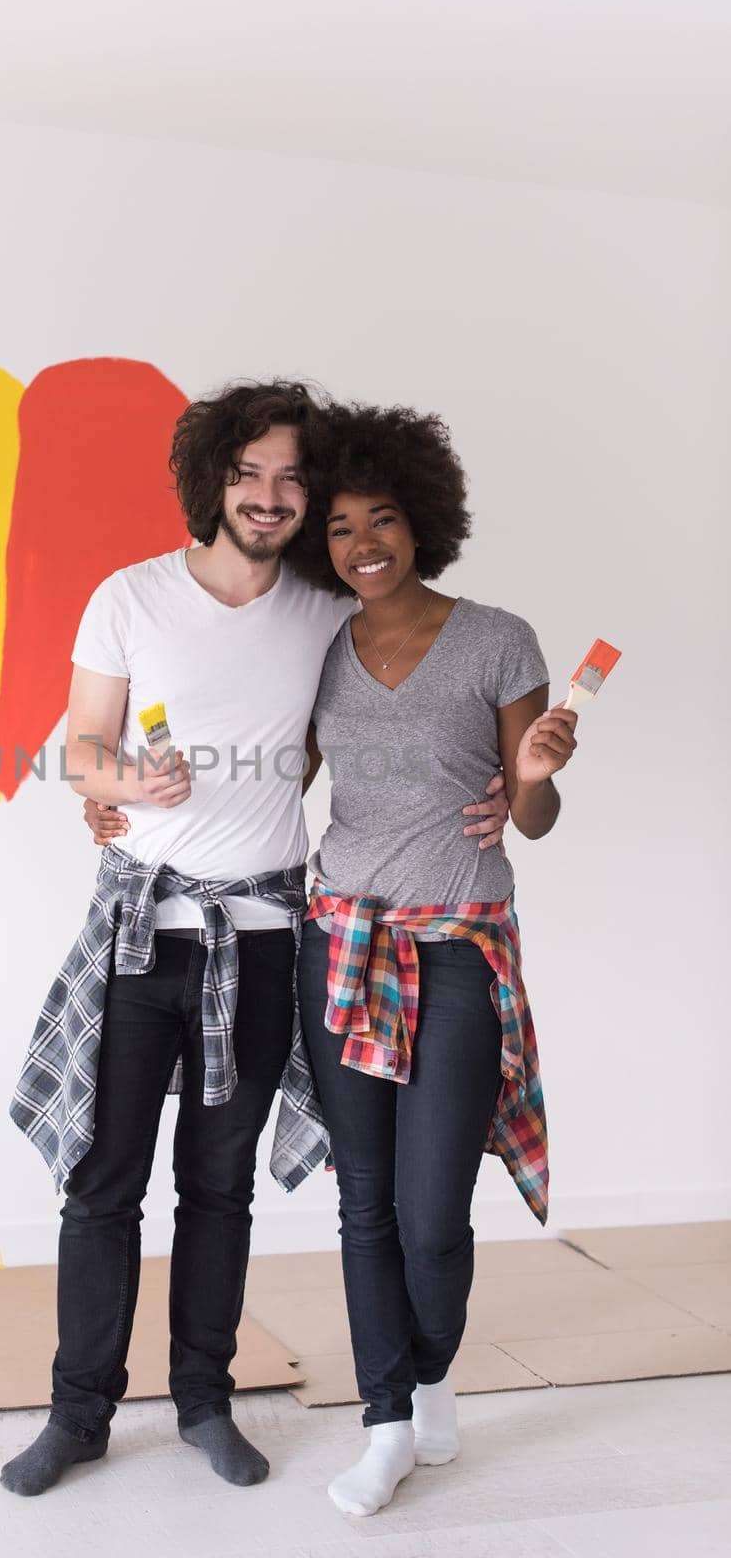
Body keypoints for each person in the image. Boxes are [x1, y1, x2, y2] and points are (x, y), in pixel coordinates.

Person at [1, 382, 510, 1498]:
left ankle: (204, 1403)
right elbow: (79, 747)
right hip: (142, 933)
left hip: (274, 936)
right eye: (249, 474)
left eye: (292, 478)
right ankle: (78, 1414)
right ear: (212, 483)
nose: (271, 496)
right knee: (99, 1182)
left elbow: (392, 702)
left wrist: (500, 783)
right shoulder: (128, 598)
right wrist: (122, 782)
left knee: (218, 1187)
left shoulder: (327, 606)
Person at [283, 402, 579, 1516]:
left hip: (457, 946)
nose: (365, 541)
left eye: (385, 517)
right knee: (365, 1201)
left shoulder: (499, 638)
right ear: (322, 538)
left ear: (424, 520)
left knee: (431, 1207)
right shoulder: (317, 649)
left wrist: (539, 770)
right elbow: (282, 783)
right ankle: (390, 1421)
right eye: (344, 524)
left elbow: (532, 819)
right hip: (341, 939)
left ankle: (429, 1371)